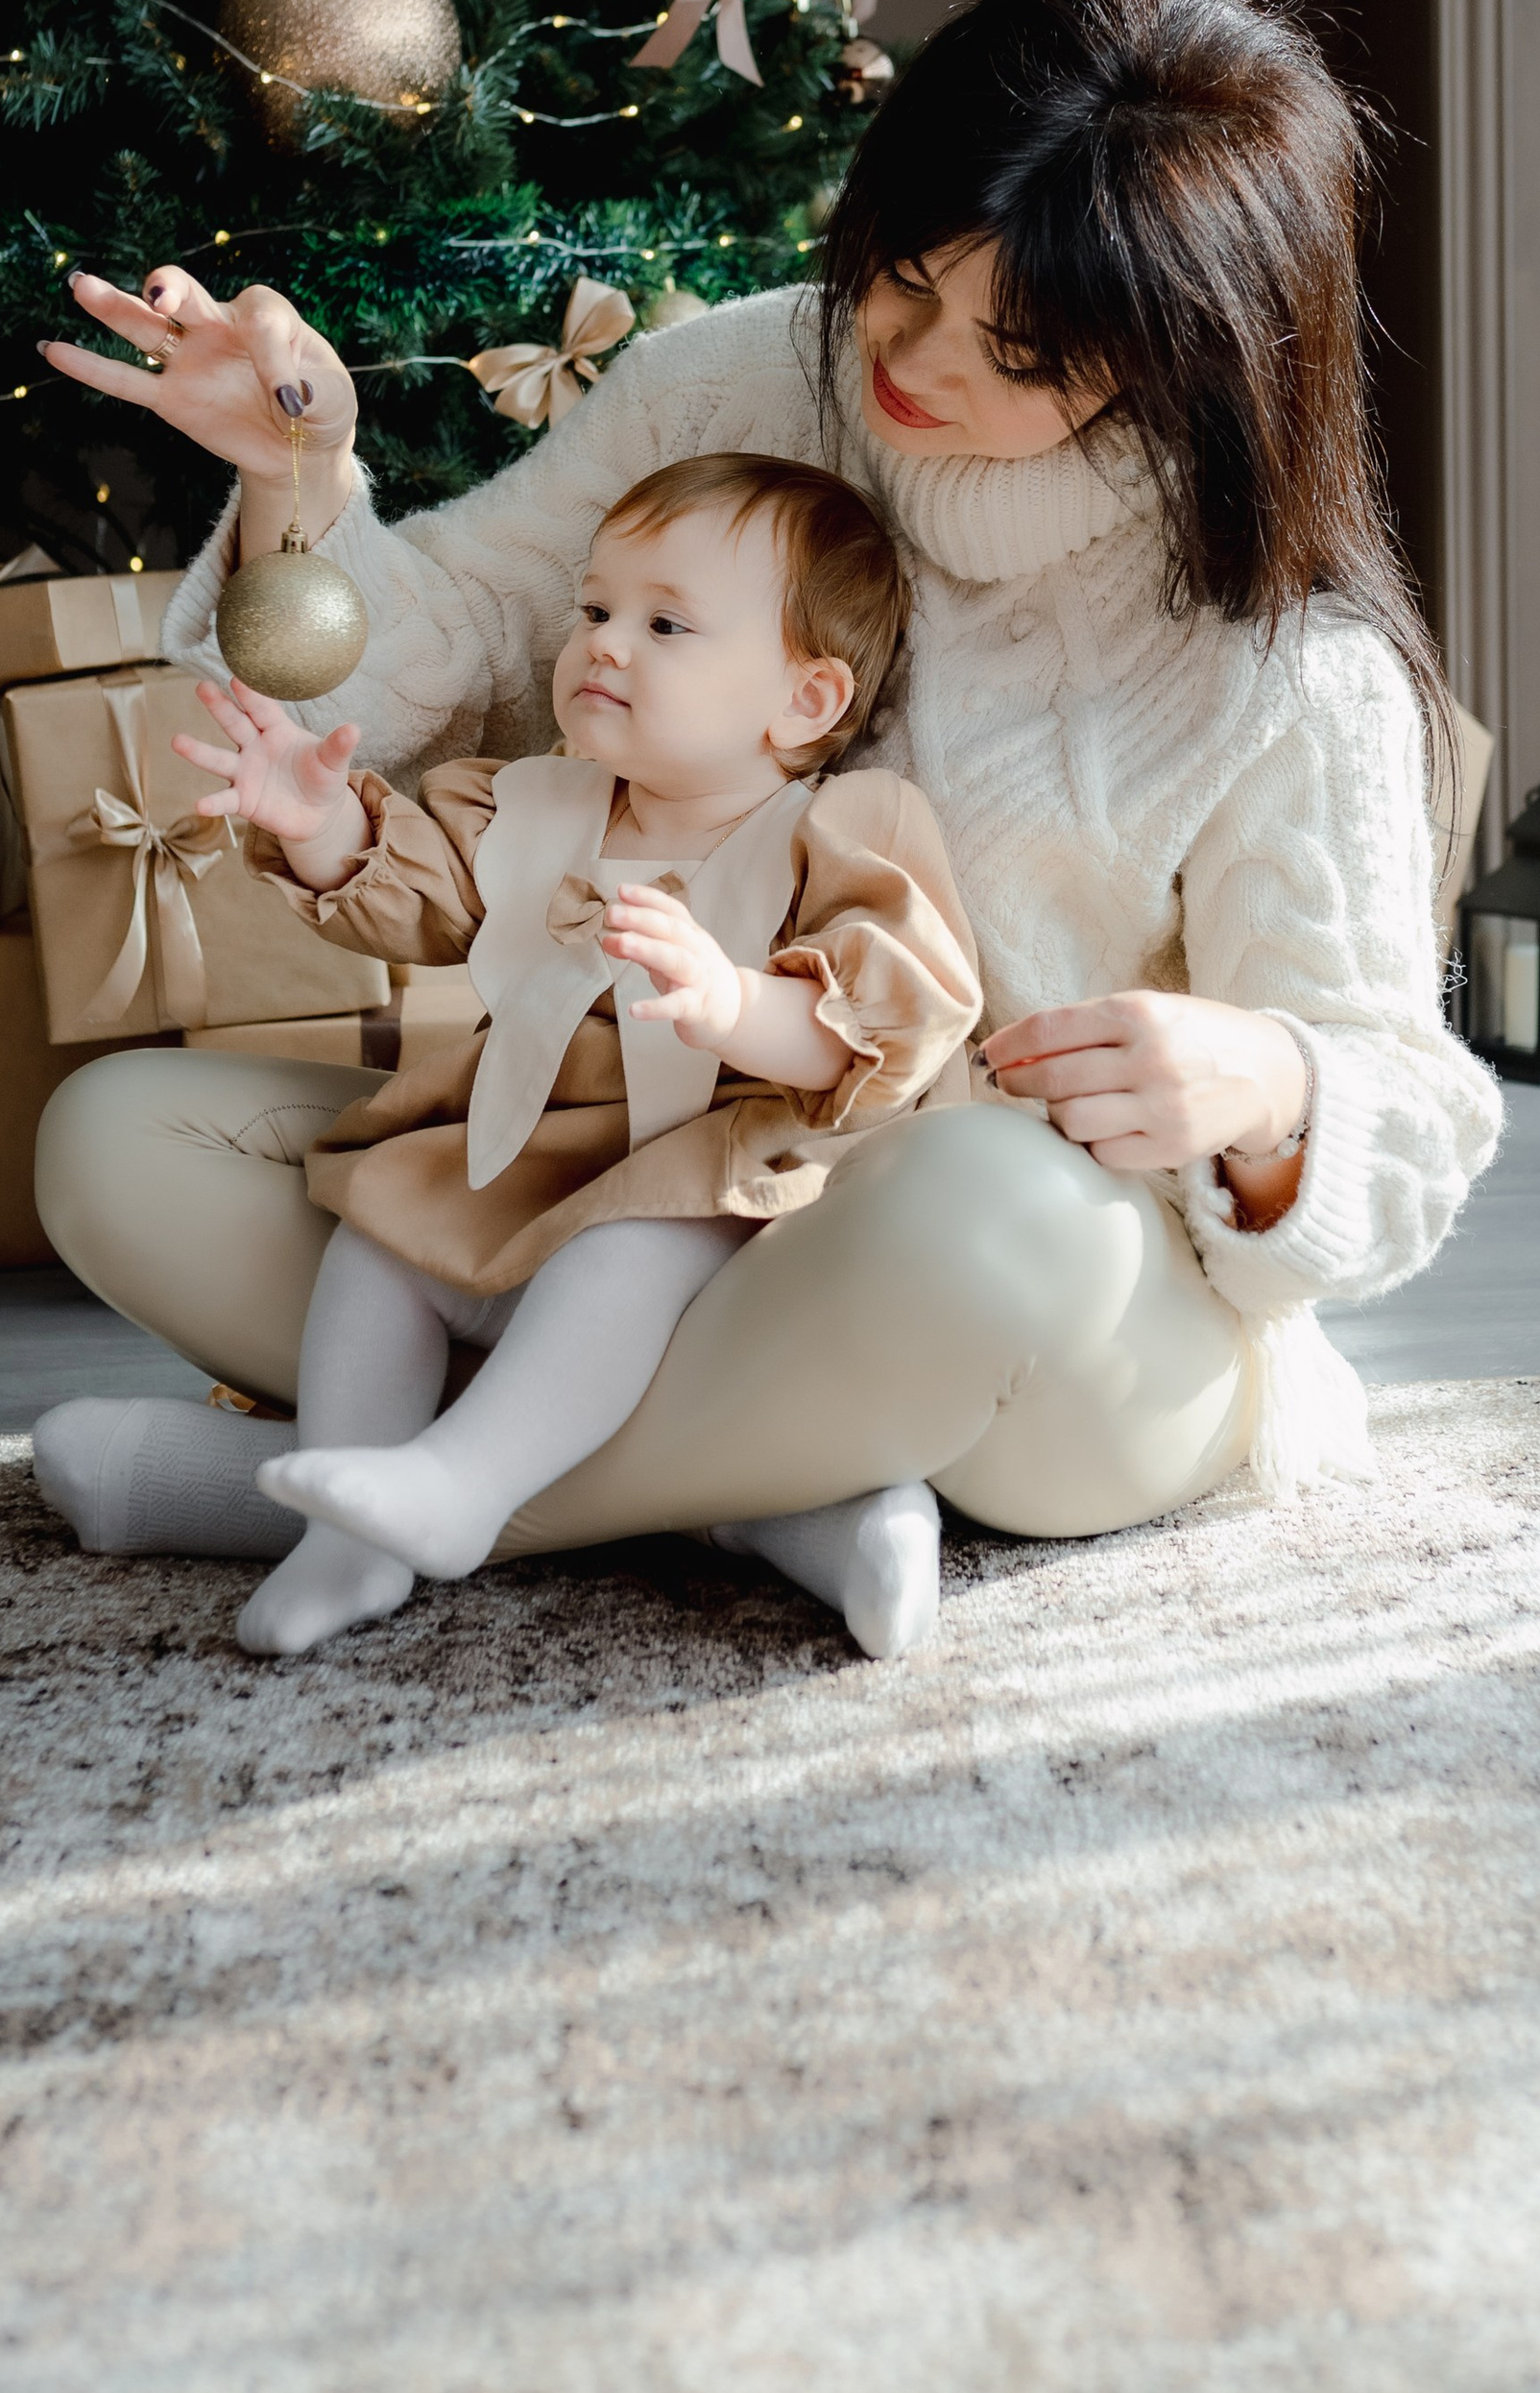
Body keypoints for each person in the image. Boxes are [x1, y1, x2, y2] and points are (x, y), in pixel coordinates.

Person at [29, 0, 1503, 1634]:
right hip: (644, 1198)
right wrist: (297, 481)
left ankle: (363, 1493)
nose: (912, 356)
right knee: (116, 1145)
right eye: (903, 269)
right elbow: (413, 658)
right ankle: (754, 1498)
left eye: (1015, 351)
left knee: (982, 1202)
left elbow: (1408, 1134)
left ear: (1175, 361)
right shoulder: (737, 383)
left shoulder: (1286, 669)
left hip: (1050, 1318)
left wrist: (1272, 1092)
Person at [173, 452, 976, 1660]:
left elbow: (898, 1017)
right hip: (546, 1162)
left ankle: (465, 1484)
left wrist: (733, 999)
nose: (606, 644)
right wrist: (324, 822)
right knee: (381, 1237)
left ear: (805, 702)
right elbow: (427, 896)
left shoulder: (841, 827)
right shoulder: (535, 805)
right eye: (594, 610)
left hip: (751, 1204)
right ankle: (354, 1532)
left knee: (635, 1247)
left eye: (666, 624)